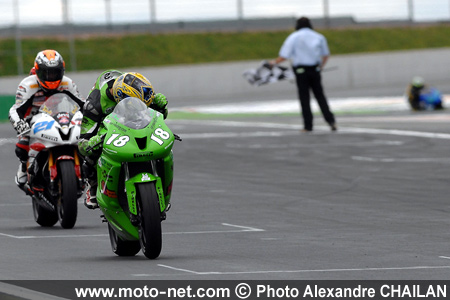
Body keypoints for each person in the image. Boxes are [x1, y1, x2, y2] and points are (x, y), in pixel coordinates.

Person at [78, 71, 168, 209]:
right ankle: (93, 184)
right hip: (105, 124)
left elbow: (157, 117)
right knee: (92, 150)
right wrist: (90, 143)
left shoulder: (136, 90)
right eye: (135, 103)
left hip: (129, 122)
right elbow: (82, 143)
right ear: (122, 97)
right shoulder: (95, 104)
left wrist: (160, 107)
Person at [9, 49, 83, 187]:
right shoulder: (28, 85)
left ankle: (89, 177)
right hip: (33, 122)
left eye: (55, 72)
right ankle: (24, 166)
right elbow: (15, 109)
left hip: (62, 117)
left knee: (85, 142)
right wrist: (20, 124)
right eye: (46, 73)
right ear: (37, 72)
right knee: (22, 146)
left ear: (62, 71)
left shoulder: (68, 84)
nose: (51, 77)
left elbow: (82, 105)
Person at [270, 17, 336, 132]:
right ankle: (331, 121)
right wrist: (321, 67)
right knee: (320, 96)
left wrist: (274, 63)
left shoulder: (293, 37)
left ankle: (308, 126)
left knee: (304, 98)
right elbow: (325, 55)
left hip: (301, 71)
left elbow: (285, 55)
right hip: (315, 69)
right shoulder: (319, 36)